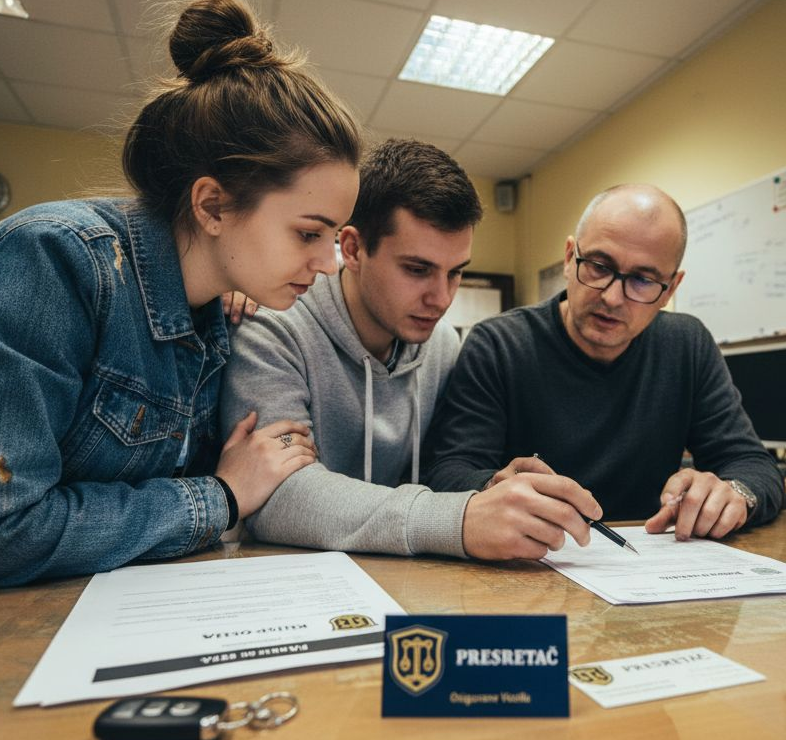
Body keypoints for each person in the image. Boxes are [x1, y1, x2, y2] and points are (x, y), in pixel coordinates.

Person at [0, 0, 362, 633]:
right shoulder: (50, 260)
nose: (330, 264)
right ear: (212, 206)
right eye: (309, 233)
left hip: (35, 619)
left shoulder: (213, 315)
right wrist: (220, 496)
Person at [220, 139, 602, 559]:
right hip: (292, 584)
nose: (441, 299)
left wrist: (485, 488)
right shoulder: (273, 325)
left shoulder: (443, 344)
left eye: (455, 273)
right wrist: (457, 520)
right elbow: (276, 498)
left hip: (409, 576)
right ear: (352, 249)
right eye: (417, 270)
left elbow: (440, 470)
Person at [423, 184, 783, 554]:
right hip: (532, 565)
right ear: (568, 257)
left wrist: (735, 494)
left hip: (653, 568)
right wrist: (491, 488)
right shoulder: (499, 344)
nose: (612, 297)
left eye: (643, 280)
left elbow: (751, 463)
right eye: (598, 266)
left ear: (670, 288)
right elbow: (448, 470)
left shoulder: (687, 344)